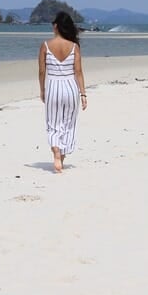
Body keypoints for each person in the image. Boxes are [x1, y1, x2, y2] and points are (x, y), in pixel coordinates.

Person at [38, 11, 88, 173]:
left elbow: (41, 72)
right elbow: (78, 72)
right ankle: (62, 155)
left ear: (56, 26)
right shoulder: (74, 46)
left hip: (53, 86)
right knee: (68, 123)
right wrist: (83, 94)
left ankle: (56, 154)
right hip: (71, 87)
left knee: (53, 123)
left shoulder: (46, 45)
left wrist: (42, 90)